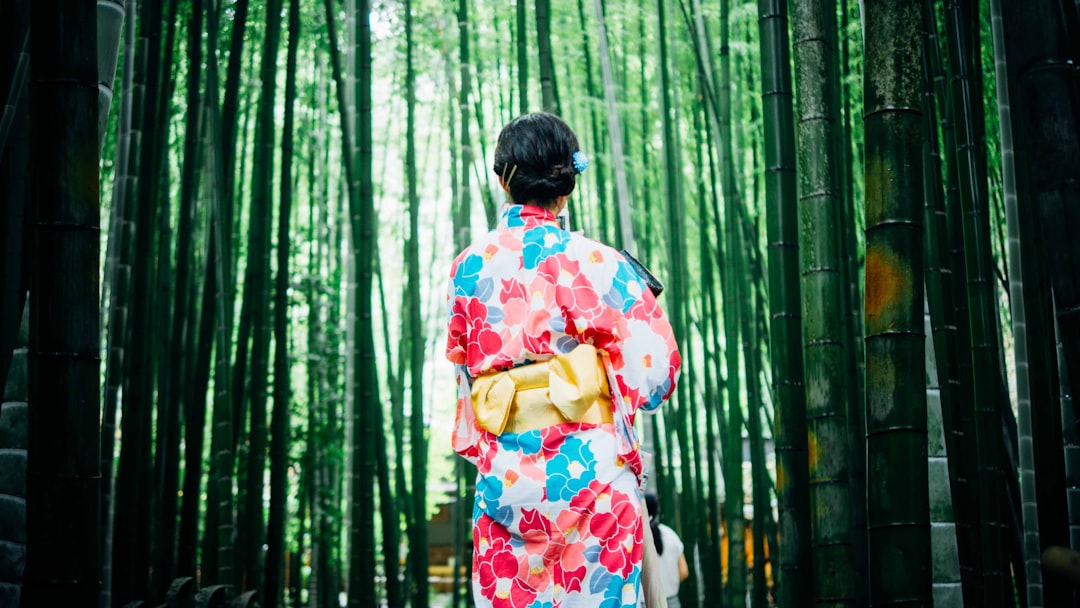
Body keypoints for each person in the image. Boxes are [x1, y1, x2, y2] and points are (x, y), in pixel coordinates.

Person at [445, 112, 681, 607]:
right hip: (594, 480)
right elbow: (658, 373)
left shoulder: (467, 267)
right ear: (567, 183)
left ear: (502, 178)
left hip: (505, 484)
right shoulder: (597, 261)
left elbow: (466, 377)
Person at [643, 493, 689, 608]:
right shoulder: (671, 535)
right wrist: (667, 583)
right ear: (657, 510)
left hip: (645, 603)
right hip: (671, 602)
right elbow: (684, 572)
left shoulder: (635, 539)